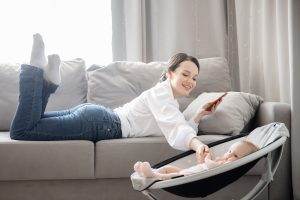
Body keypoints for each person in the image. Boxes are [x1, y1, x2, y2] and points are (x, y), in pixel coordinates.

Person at [10, 33, 223, 161]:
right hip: (101, 124)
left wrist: (198, 116)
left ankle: (47, 82)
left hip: (96, 117)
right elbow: (176, 127)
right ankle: (34, 72)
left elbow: (177, 124)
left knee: (33, 123)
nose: (191, 81)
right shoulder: (162, 93)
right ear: (169, 74)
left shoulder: (168, 101)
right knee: (21, 130)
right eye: (185, 74)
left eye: (195, 78)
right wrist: (197, 145)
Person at [133, 140, 258, 180]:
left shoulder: (226, 165)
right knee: (168, 168)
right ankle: (151, 170)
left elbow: (211, 166)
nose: (230, 156)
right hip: (189, 170)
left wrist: (208, 158)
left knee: (174, 174)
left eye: (235, 156)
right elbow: (204, 165)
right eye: (230, 151)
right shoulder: (223, 159)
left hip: (191, 175)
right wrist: (204, 160)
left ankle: (154, 175)